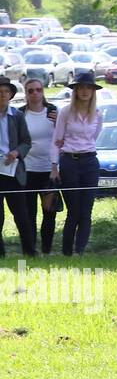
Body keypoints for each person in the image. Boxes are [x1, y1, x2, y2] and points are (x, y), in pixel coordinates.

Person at [52, 72, 104, 256]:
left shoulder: (97, 113)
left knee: (86, 210)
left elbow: (94, 136)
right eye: (80, 87)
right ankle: (67, 251)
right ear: (75, 91)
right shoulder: (66, 111)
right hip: (69, 161)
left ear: (92, 91)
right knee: (73, 210)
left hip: (90, 161)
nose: (84, 91)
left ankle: (80, 250)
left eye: (88, 88)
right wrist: (54, 166)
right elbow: (57, 140)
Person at [20, 77, 60, 254]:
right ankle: (30, 251)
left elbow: (62, 137)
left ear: (43, 91)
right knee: (29, 214)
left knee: (49, 213)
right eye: (30, 90)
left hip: (49, 170)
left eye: (38, 89)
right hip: (27, 170)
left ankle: (46, 250)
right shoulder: (20, 114)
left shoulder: (53, 112)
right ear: (26, 94)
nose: (35, 93)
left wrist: (59, 122)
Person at [0, 76, 36, 257]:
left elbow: (26, 142)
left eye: (6, 91)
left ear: (11, 95)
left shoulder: (17, 116)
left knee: (21, 214)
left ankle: (30, 252)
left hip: (13, 171)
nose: (2, 95)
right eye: (0, 91)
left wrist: (16, 153)